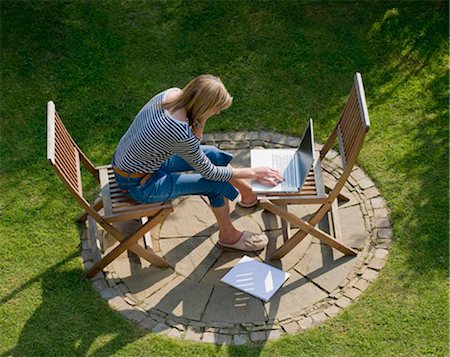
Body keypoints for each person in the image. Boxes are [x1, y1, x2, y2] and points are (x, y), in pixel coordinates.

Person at [112, 74, 284, 251]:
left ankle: (248, 194)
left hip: (138, 163)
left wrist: (200, 119)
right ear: (204, 106)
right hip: (139, 184)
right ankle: (228, 236)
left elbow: (198, 150)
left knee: (214, 155)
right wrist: (254, 172)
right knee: (214, 185)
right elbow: (209, 173)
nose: (217, 113)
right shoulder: (178, 131)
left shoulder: (171, 94)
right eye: (216, 109)